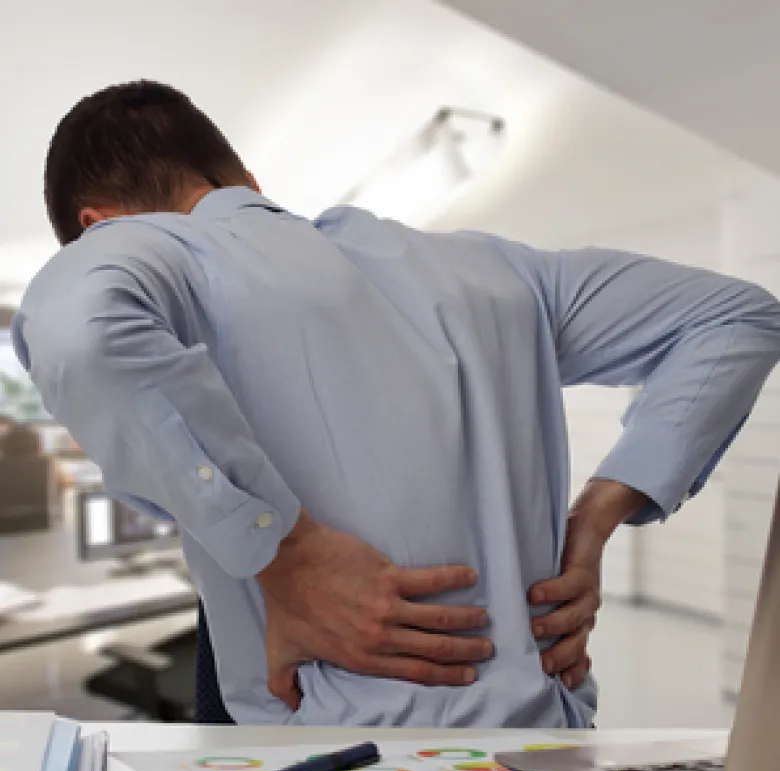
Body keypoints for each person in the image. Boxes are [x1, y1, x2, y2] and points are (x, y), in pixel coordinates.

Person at [13, 81, 780, 727]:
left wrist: (288, 551)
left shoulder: (164, 252)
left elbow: (79, 333)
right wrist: (600, 514)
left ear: (99, 227)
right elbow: (739, 316)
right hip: (553, 753)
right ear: (237, 171)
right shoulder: (492, 270)